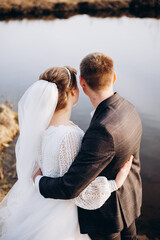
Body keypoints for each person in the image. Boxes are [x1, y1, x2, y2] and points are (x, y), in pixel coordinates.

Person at [0, 65, 132, 240]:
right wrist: (114, 183)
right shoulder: (70, 136)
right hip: (60, 217)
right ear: (71, 93)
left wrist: (38, 180)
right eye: (77, 87)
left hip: (39, 201)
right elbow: (80, 194)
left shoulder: (41, 128)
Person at [34, 53, 143, 240]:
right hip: (130, 197)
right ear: (114, 76)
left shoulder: (101, 131)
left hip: (107, 216)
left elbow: (70, 187)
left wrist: (38, 181)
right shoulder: (129, 107)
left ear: (82, 83)